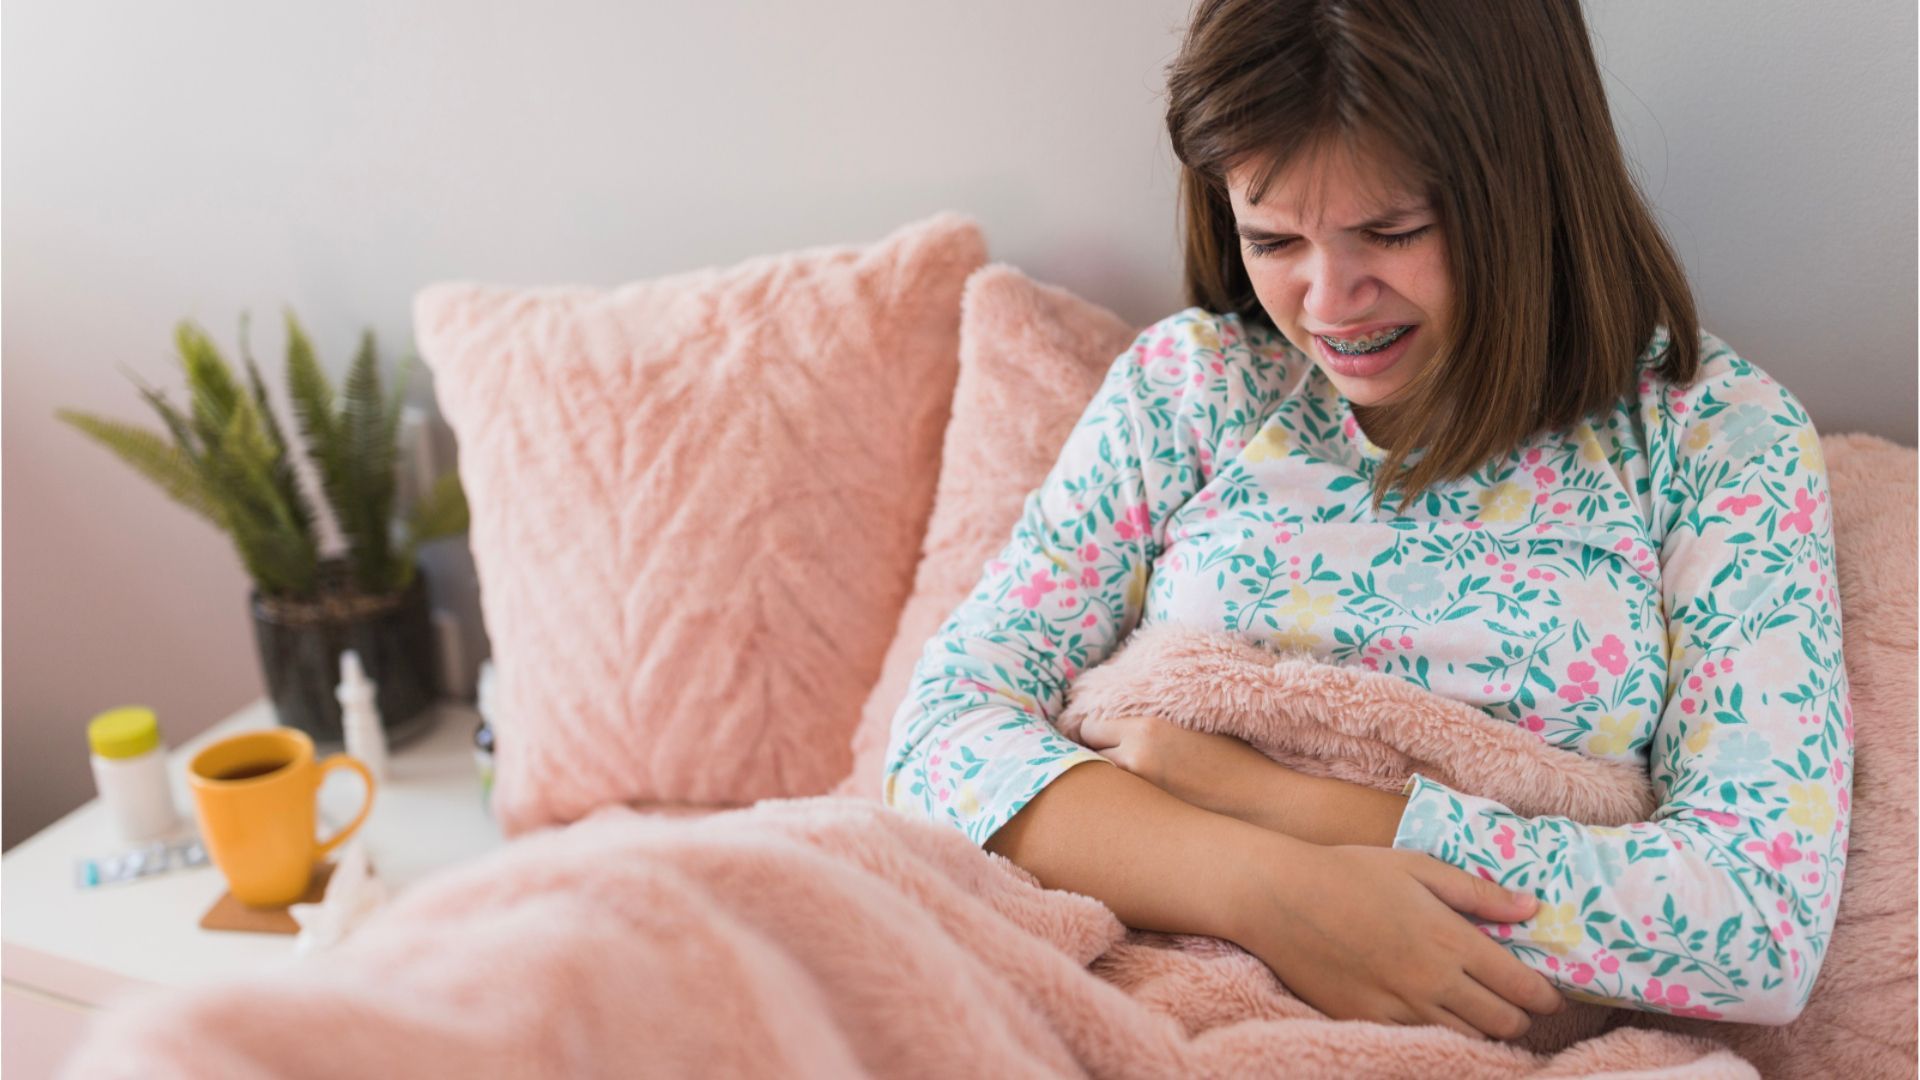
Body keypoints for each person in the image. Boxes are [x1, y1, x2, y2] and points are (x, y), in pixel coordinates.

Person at [881, 0, 1851, 1044]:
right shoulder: (1193, 389)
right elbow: (940, 736)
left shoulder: (1712, 437)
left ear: (1527, 190)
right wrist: (1263, 887)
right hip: (1121, 986)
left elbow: (1757, 922)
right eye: (1273, 237)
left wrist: (1285, 808)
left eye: (1391, 232)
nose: (1331, 302)